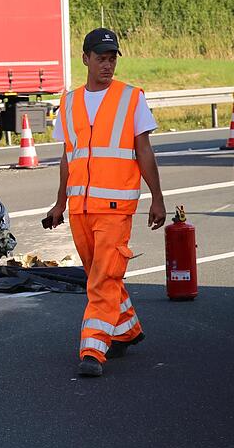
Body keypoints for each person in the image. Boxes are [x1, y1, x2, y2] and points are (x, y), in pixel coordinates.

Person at [45, 28, 165, 378]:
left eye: (112, 58)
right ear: (85, 59)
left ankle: (93, 349)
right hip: (80, 209)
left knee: (101, 280)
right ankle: (127, 330)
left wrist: (157, 198)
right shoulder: (68, 103)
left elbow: (144, 151)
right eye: (101, 58)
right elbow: (68, 157)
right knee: (102, 276)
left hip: (115, 208)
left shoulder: (131, 98)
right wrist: (59, 203)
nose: (108, 65)